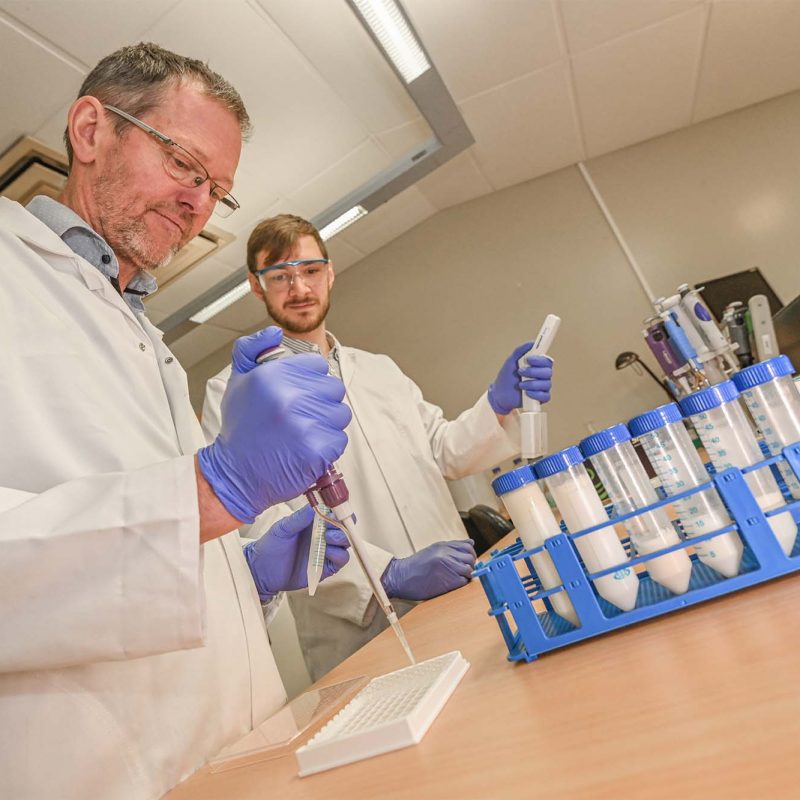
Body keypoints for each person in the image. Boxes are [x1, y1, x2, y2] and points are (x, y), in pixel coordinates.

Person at [0, 44, 354, 800]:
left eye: (218, 191)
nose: (199, 204)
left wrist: (242, 576)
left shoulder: (140, 333)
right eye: (185, 166)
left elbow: (138, 557)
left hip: (237, 756)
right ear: (91, 130)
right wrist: (212, 490)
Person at [202, 214, 554, 680]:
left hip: (457, 594)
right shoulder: (236, 391)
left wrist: (498, 403)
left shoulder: (379, 370)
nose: (299, 287)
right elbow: (261, 522)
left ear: (329, 272)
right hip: (357, 636)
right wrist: (386, 573)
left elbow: (444, 450)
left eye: (309, 270)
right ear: (256, 286)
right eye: (280, 276)